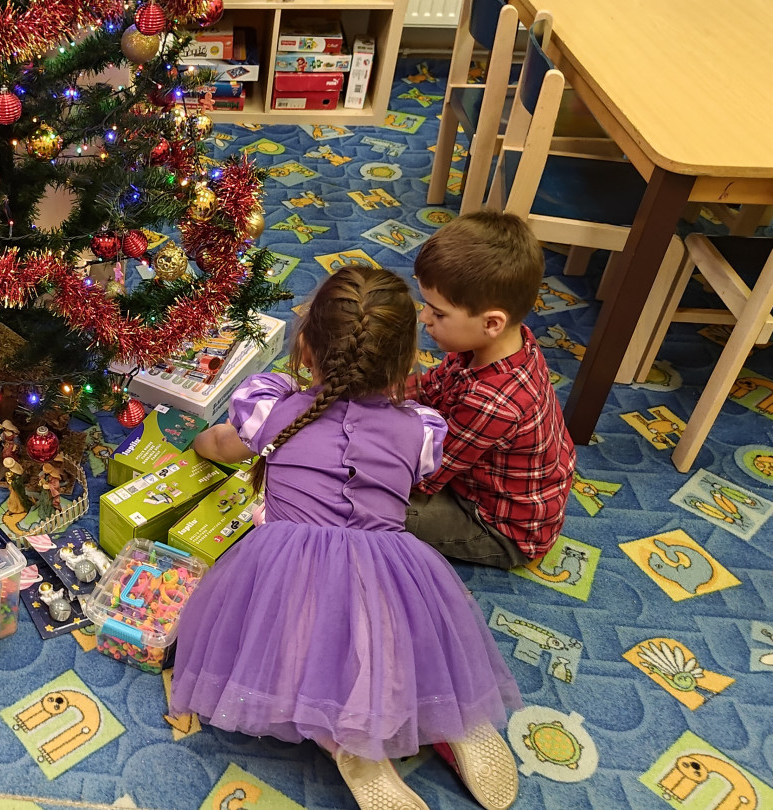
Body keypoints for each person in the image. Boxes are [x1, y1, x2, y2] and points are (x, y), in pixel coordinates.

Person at [172, 265, 522, 810]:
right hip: (390, 568)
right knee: (401, 635)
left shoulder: (273, 409)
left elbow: (219, 444)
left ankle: (348, 741)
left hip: (289, 572)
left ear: (306, 346)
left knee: (298, 647)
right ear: (406, 361)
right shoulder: (421, 428)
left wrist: (199, 444)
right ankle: (452, 715)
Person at [407, 211, 576, 568]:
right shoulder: (495, 344)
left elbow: (425, 477)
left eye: (438, 313)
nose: (424, 318)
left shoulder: (492, 401)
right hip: (477, 480)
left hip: (498, 529)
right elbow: (431, 388)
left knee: (368, 503)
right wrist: (378, 390)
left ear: (492, 323)